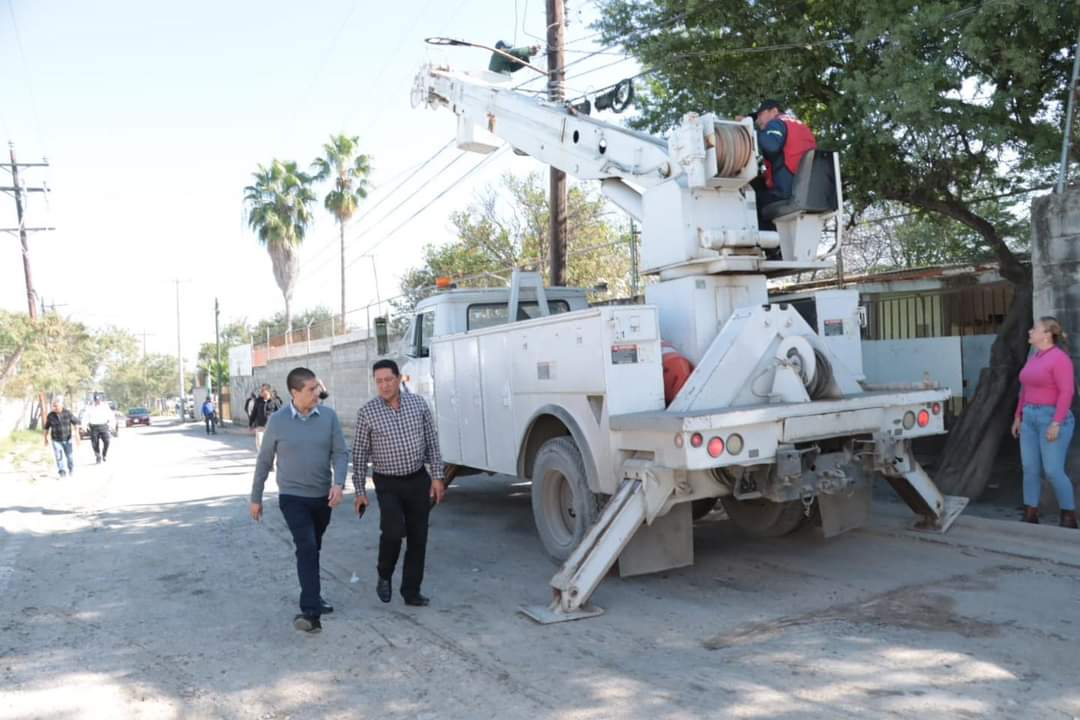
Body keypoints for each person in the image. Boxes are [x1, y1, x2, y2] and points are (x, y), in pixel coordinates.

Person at [250, 367, 348, 634]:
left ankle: (314, 595)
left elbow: (340, 453)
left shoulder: (328, 417)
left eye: (317, 387)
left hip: (322, 497)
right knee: (306, 545)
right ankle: (311, 612)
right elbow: (264, 461)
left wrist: (339, 484)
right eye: (311, 389)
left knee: (313, 548)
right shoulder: (278, 421)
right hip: (293, 497)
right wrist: (256, 497)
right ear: (295, 393)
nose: (318, 393)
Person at [351, 359, 445, 607]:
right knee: (393, 531)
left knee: (418, 537)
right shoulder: (367, 413)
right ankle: (384, 574)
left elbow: (432, 443)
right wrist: (360, 491)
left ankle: (411, 591)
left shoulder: (418, 405)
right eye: (379, 381)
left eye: (388, 379)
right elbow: (359, 454)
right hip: (387, 483)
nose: (384, 385)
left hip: (417, 480)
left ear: (399, 378)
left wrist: (437, 477)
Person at [1011, 317, 1077, 528]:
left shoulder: (1059, 358)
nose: (1030, 331)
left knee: (1052, 470)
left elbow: (1067, 392)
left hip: (1052, 418)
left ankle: (1068, 515)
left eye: (1035, 328)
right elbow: (1025, 389)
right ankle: (1031, 513)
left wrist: (1056, 423)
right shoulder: (1034, 357)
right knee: (1029, 467)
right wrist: (1018, 416)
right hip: (1029, 417)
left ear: (1047, 334)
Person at [744, 99, 817, 232]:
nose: (758, 121)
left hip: (788, 191)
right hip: (806, 189)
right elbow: (790, 157)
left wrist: (749, 132)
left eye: (760, 115)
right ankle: (776, 246)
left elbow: (771, 145)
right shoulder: (801, 126)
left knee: (748, 199)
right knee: (759, 185)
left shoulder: (777, 122)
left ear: (774, 111)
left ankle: (769, 247)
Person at [43, 397, 80, 477]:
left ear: (61, 406)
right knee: (59, 457)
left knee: (69, 456)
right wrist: (45, 439)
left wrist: (77, 435)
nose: (54, 408)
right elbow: (46, 428)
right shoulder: (50, 415)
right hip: (56, 440)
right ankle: (62, 471)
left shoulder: (67, 413)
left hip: (67, 439)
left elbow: (76, 422)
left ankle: (71, 469)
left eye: (56, 406)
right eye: (54, 406)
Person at [249, 384, 282, 452]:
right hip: (260, 426)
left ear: (268, 391)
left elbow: (280, 414)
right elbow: (254, 413)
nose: (261, 391)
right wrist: (250, 424)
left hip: (271, 426)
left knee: (271, 445)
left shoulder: (275, 401)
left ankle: (272, 459)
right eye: (261, 390)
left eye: (263, 390)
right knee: (259, 443)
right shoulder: (258, 401)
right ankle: (261, 458)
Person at [85, 395, 113, 464]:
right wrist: (84, 426)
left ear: (101, 400)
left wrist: (112, 425)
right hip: (94, 427)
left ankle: (104, 454)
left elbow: (110, 416)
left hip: (103, 425)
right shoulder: (90, 407)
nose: (98, 402)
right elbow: (86, 417)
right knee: (94, 443)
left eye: (99, 400)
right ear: (94, 400)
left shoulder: (105, 407)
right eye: (96, 400)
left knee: (107, 441)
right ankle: (98, 456)